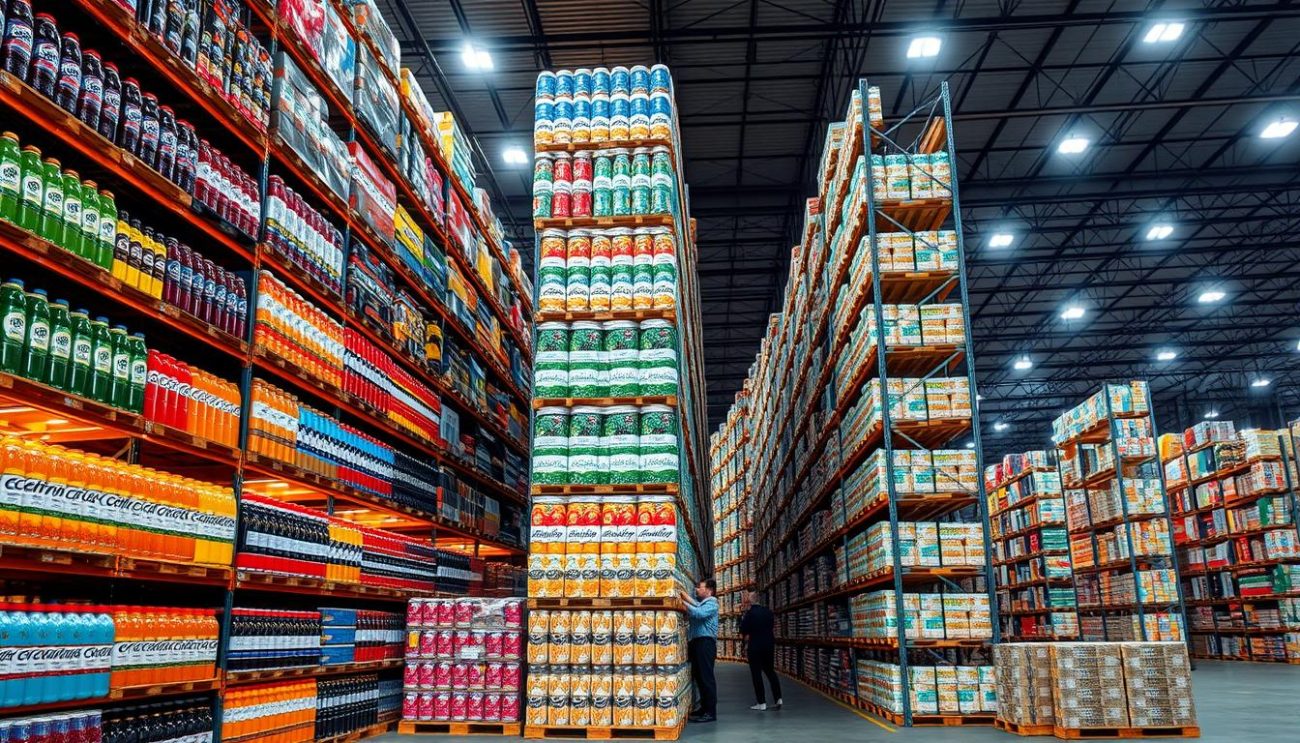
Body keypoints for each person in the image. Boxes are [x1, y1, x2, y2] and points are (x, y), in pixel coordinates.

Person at [680, 578, 719, 723]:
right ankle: (704, 708)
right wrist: (685, 597)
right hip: (698, 643)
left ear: (709, 590)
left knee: (706, 678)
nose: (697, 589)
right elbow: (696, 605)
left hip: (705, 643)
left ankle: (710, 712)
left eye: (699, 587)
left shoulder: (712, 603)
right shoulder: (703, 603)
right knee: (699, 677)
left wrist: (682, 602)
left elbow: (698, 613)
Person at [739, 590, 782, 711]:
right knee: (770, 671)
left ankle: (761, 702)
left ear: (750, 600)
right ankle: (778, 698)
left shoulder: (750, 613)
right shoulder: (768, 612)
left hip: (755, 646)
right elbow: (771, 626)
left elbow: (743, 629)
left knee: (756, 674)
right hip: (769, 645)